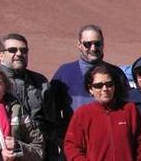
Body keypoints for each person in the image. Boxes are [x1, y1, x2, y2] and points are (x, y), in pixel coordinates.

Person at [44, 24, 129, 159]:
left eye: (97, 43)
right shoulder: (64, 73)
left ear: (103, 44)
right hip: (75, 149)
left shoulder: (116, 74)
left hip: (108, 149)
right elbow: (51, 111)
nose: (93, 48)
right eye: (87, 44)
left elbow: (126, 110)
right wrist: (61, 137)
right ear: (79, 45)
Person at [64, 64, 141, 160]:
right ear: (90, 89)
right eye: (98, 86)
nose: (105, 89)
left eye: (109, 84)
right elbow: (72, 146)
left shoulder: (129, 110)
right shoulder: (82, 114)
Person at [0, 33, 50, 126]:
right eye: (12, 50)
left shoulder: (40, 81)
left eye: (23, 50)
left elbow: (52, 120)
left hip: (38, 138)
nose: (19, 54)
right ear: (1, 55)